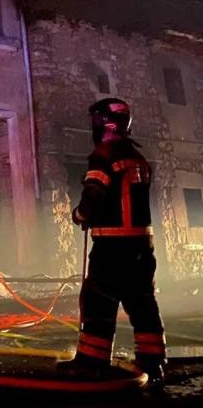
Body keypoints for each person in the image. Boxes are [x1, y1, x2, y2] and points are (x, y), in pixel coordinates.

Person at [58, 98, 166, 386]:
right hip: (143, 247)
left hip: (112, 248)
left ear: (104, 122)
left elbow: (93, 195)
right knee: (142, 303)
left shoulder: (104, 154)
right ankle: (153, 362)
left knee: (97, 303)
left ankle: (91, 363)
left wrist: (80, 215)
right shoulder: (137, 157)